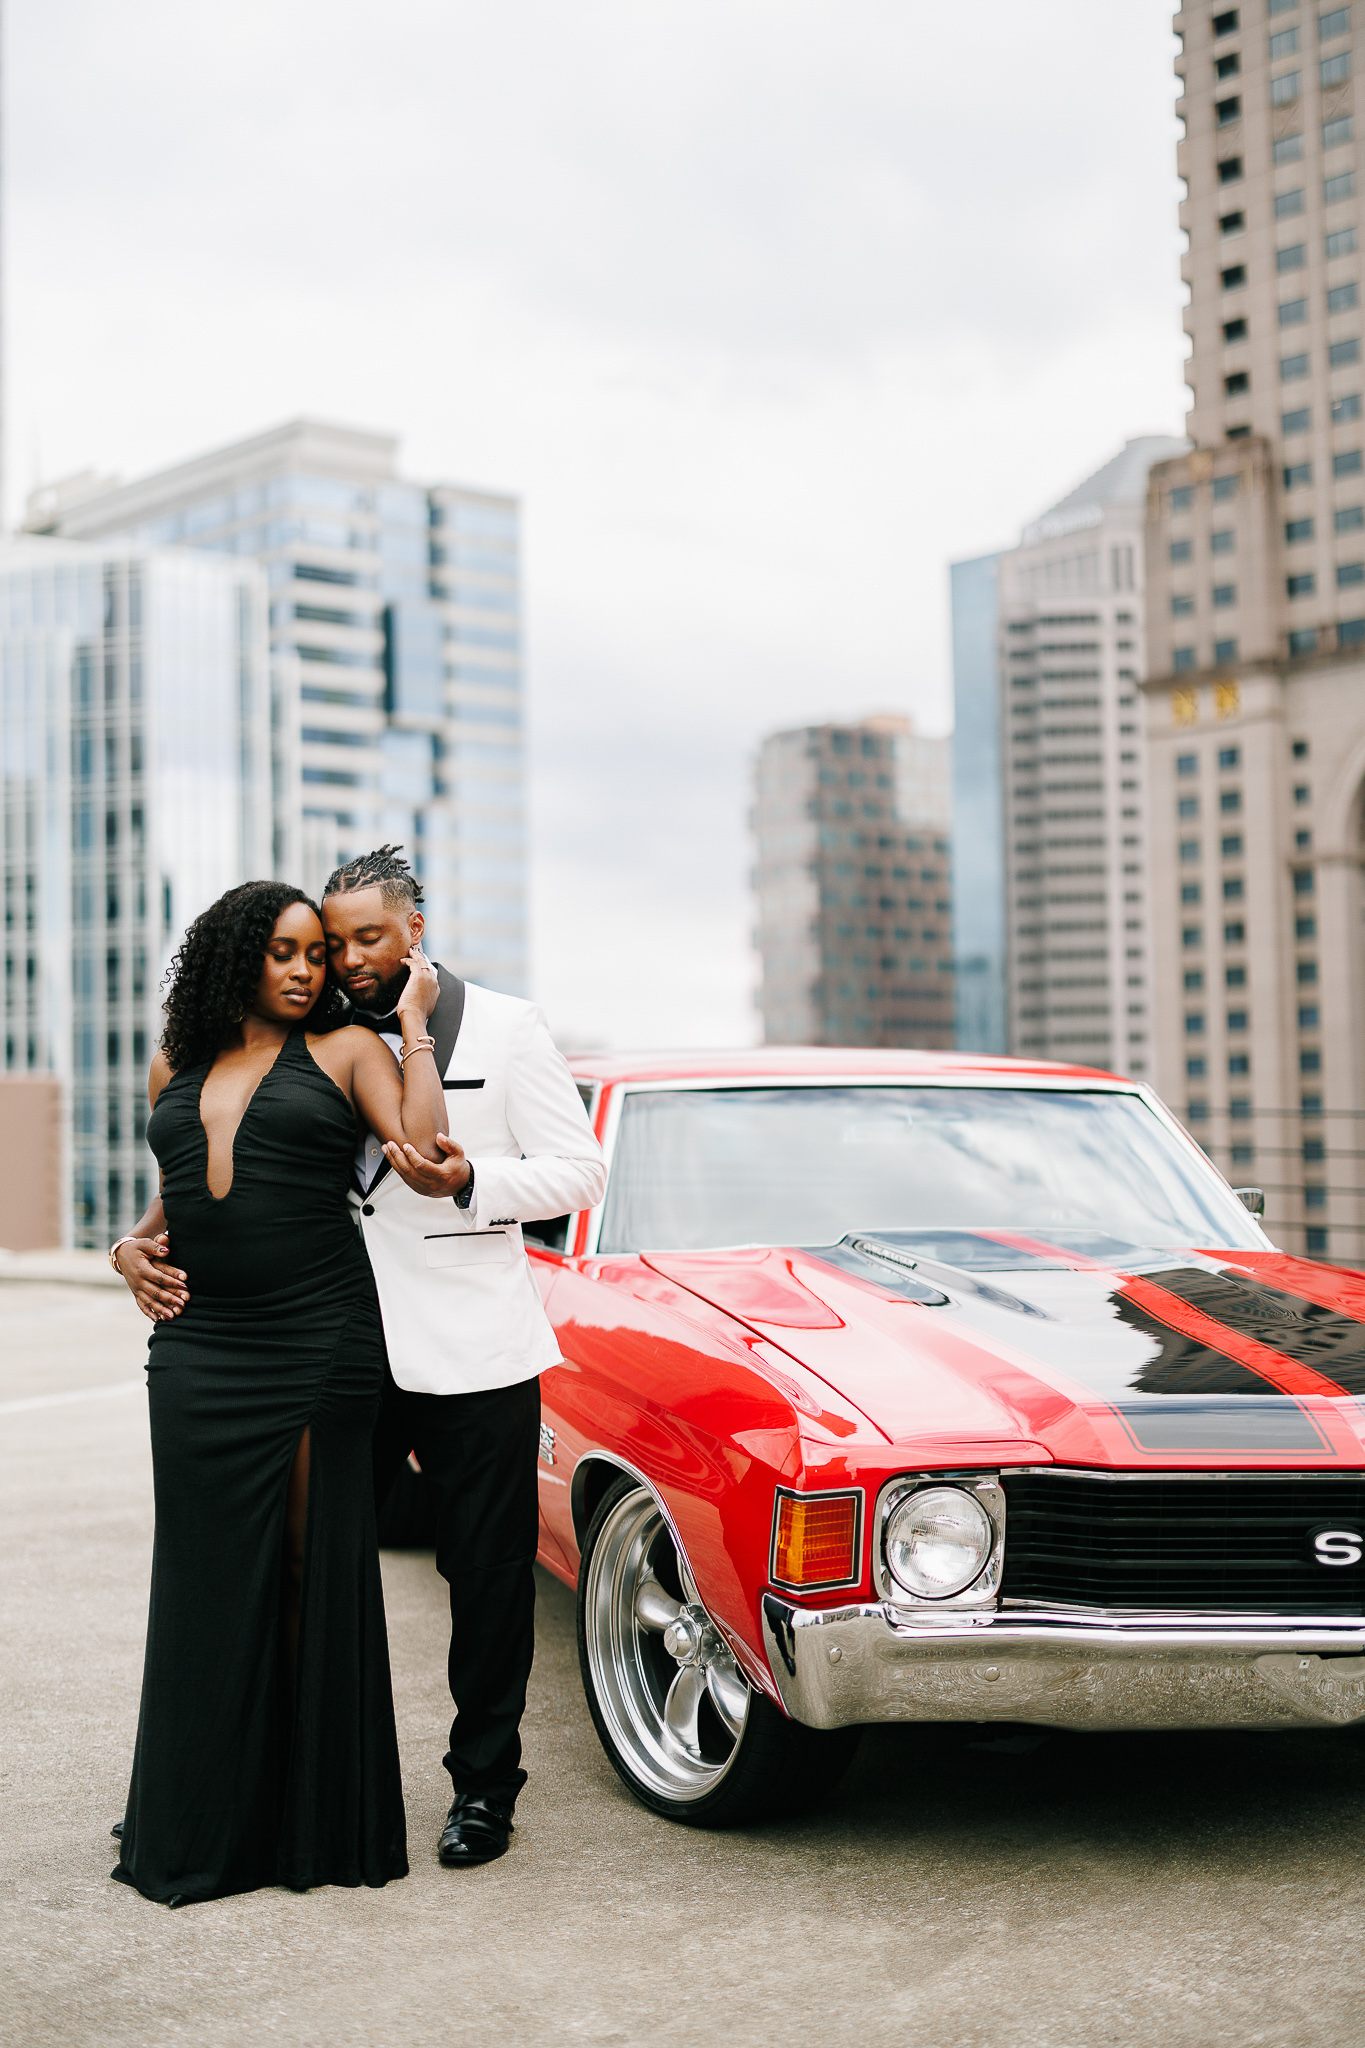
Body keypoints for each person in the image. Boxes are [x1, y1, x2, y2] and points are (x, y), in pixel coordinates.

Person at [109, 879, 450, 1906]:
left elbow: (427, 1154)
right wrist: (128, 1248)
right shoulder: (177, 1061)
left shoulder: (349, 1050)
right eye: (285, 952)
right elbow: (170, 1199)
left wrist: (414, 1028)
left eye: (317, 953)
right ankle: (206, 1805)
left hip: (316, 1339)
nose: (310, 969)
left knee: (307, 1564)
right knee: (205, 1573)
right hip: (199, 1349)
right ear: (234, 958)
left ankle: (309, 1820)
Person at [319, 845, 606, 1867]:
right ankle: (299, 1770)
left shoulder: (506, 1024)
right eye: (337, 937)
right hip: (344, 1348)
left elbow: (580, 1170)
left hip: (477, 1349)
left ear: (413, 932)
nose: (351, 957)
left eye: (369, 937)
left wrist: (475, 1173)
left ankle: (485, 1789)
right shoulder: (309, 1028)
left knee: (485, 1580)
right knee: (306, 1560)